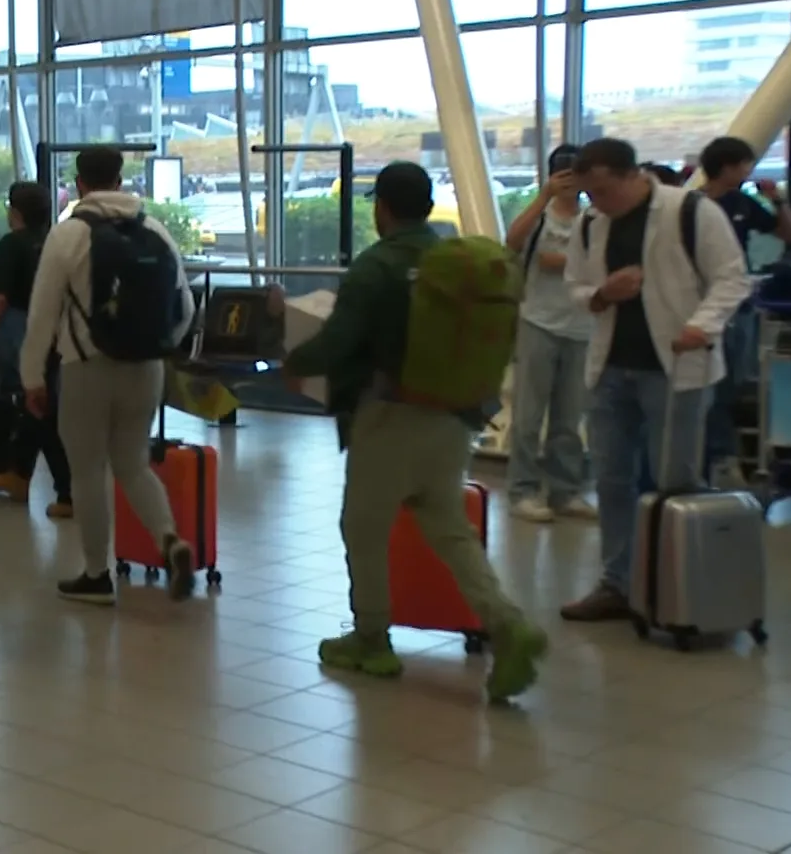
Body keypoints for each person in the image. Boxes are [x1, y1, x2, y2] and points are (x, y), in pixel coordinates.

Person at [281, 162, 545, 698]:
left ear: (381, 206)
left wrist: (293, 360)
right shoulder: (455, 258)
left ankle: (372, 638)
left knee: (363, 527)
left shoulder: (377, 265)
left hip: (390, 416)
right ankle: (507, 623)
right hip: (455, 413)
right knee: (448, 527)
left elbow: (338, 342)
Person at [560, 137, 752, 622]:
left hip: (675, 369)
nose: (596, 202)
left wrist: (700, 326)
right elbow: (576, 288)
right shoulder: (590, 224)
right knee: (611, 479)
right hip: (610, 369)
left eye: (603, 191)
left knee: (675, 480)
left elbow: (732, 278)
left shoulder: (691, 211)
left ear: (632, 175)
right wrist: (603, 293)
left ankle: (675, 587)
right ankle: (617, 583)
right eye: (589, 193)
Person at [21, 147, 194, 604]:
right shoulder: (154, 229)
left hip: (86, 368)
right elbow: (186, 306)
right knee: (133, 464)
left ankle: (97, 574)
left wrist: (32, 376)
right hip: (146, 367)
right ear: (120, 180)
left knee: (88, 472)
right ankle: (169, 540)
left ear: (79, 183)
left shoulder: (69, 234)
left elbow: (42, 314)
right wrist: (160, 346)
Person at [696, 135, 791, 488]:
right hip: (702, 306)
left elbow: (790, 233)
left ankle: (722, 457)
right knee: (709, 386)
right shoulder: (694, 205)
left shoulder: (742, 203)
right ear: (727, 166)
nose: (748, 171)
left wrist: (777, 199)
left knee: (733, 383)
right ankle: (712, 457)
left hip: (737, 306)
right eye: (744, 164)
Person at [500, 146, 596, 523]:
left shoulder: (593, 218)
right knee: (528, 414)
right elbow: (513, 241)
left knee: (570, 417)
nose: (569, 180)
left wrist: (565, 262)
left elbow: (598, 262)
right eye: (562, 173)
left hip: (581, 326)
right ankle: (522, 490)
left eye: (575, 173)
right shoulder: (540, 217)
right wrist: (544, 196)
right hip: (538, 321)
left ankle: (564, 491)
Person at [0, 181, 73, 517]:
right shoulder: (56, 241)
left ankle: (66, 492)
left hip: (23, 335)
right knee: (37, 407)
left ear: (15, 212)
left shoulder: (10, 246)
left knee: (37, 410)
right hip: (61, 337)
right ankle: (19, 474)